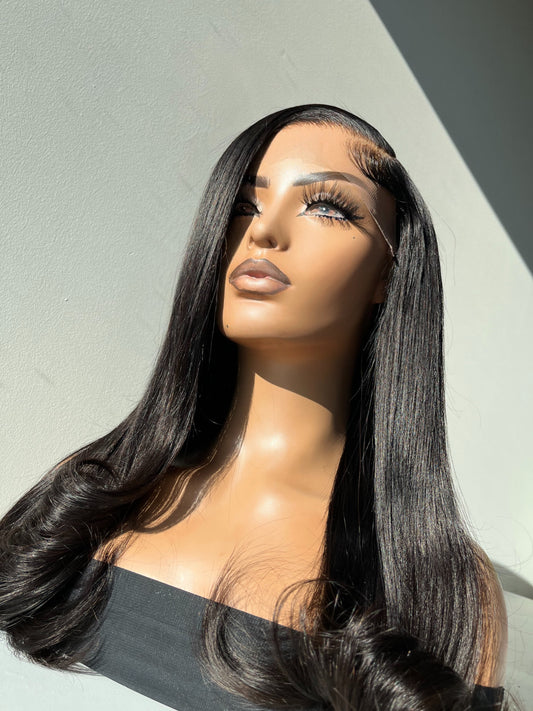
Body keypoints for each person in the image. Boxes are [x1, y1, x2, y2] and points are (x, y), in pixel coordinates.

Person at [0, 105, 509, 710]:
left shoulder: (439, 588)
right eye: (245, 204)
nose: (264, 231)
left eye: (327, 207)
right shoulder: (88, 499)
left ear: (388, 272)